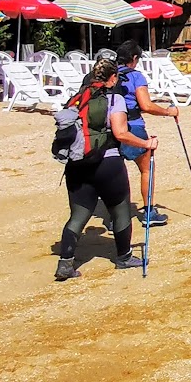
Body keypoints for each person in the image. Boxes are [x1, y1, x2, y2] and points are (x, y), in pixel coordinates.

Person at [55, 53, 156, 280]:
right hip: (107, 162)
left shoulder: (77, 98)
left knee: (79, 215)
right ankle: (124, 257)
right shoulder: (114, 99)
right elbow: (121, 133)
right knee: (120, 210)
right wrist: (147, 143)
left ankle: (65, 263)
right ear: (112, 78)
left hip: (76, 163)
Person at [114, 40, 179, 227]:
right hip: (132, 126)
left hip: (111, 128)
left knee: (116, 173)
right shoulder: (135, 76)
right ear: (134, 58)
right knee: (146, 169)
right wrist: (168, 112)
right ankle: (149, 211)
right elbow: (146, 105)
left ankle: (115, 216)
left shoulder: (110, 75)